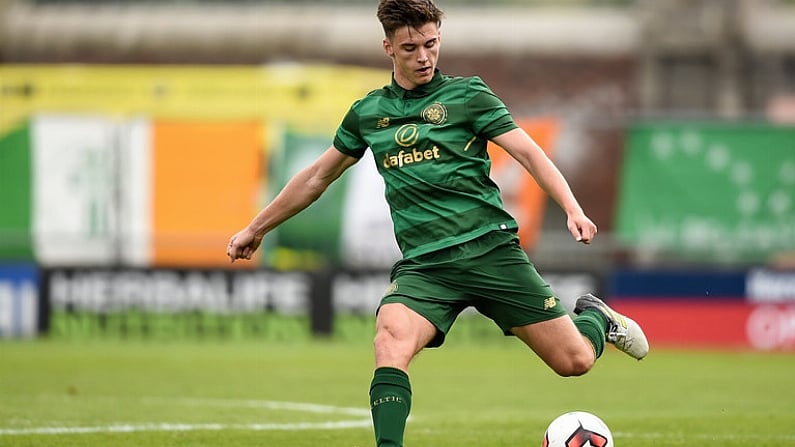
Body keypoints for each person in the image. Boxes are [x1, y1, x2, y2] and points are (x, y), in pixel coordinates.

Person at [226, 1, 649, 446]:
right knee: (390, 340)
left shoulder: (468, 97)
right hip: (427, 267)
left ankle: (597, 320)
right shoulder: (368, 113)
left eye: (431, 44)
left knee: (574, 361)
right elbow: (316, 177)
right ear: (388, 47)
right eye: (411, 48)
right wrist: (256, 228)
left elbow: (527, 152)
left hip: (491, 252)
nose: (424, 57)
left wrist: (572, 208)